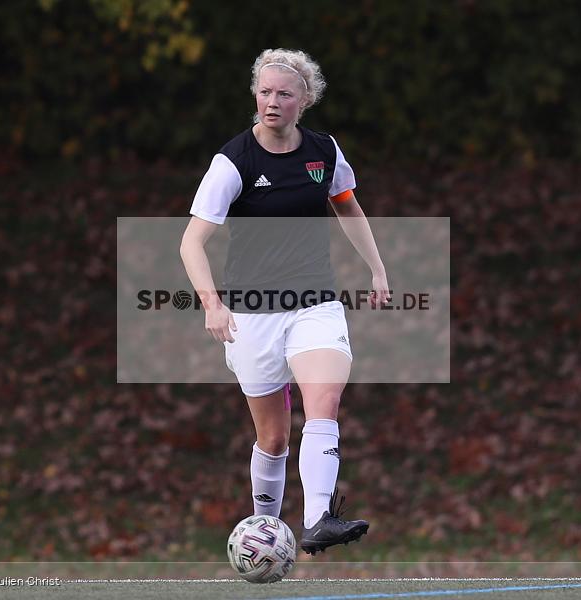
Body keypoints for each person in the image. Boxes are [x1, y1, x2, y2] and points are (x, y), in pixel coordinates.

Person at [179, 48, 390, 555]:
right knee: (273, 438)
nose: (272, 102)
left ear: (305, 101)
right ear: (255, 94)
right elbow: (190, 242)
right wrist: (212, 303)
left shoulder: (325, 152)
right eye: (265, 91)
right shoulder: (233, 162)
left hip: (315, 304)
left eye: (284, 94)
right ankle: (264, 534)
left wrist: (377, 269)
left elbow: (348, 207)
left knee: (325, 399)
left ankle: (319, 517)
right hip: (252, 313)